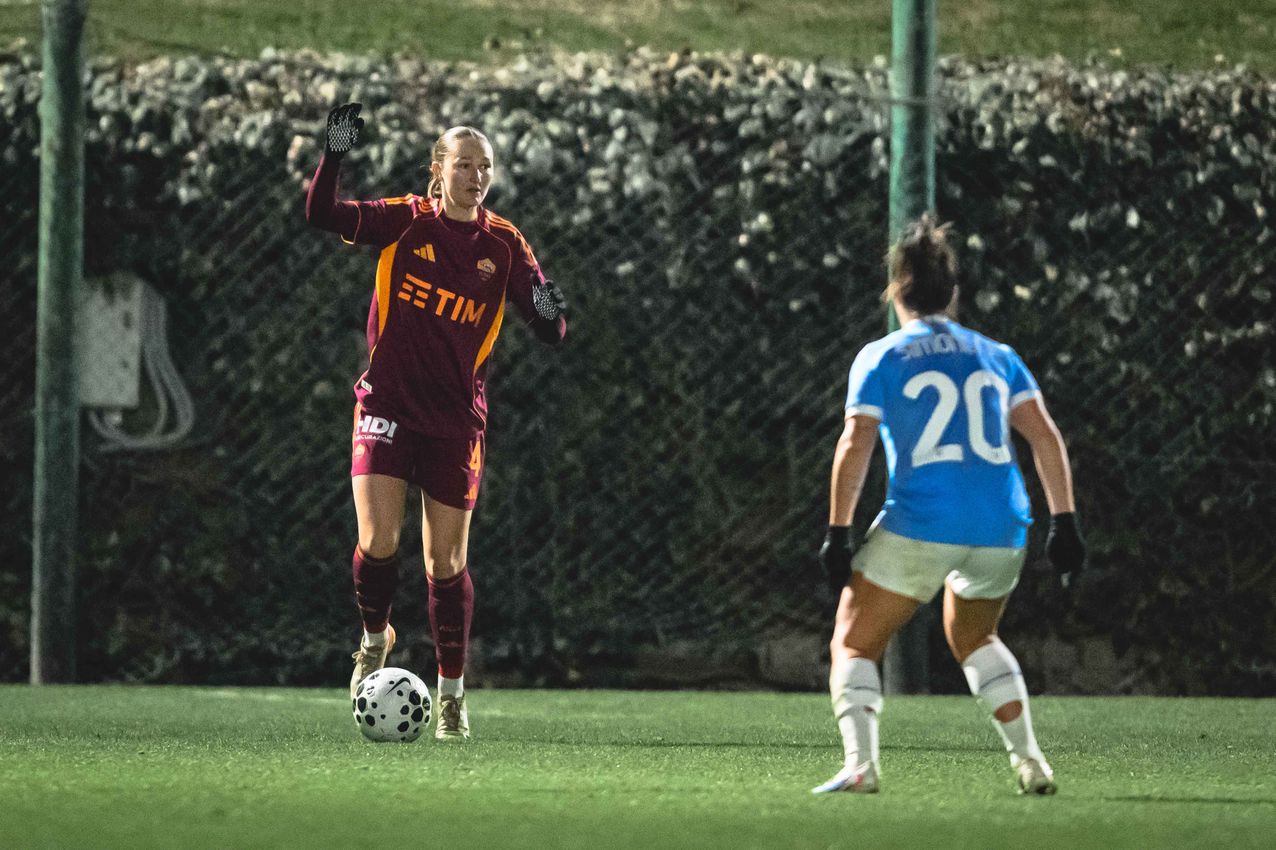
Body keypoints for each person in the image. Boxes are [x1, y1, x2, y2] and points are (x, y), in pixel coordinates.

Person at [305, 103, 568, 740]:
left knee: (446, 565)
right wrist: (333, 155)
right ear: (438, 171)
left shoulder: (504, 244)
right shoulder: (406, 222)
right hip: (387, 405)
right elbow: (322, 214)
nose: (476, 177)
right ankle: (374, 640)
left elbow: (553, 328)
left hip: (454, 421)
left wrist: (547, 308)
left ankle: (451, 695)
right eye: (464, 165)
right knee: (378, 544)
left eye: (486, 167)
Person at [812, 215, 1086, 794]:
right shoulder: (997, 354)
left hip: (922, 522)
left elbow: (855, 441)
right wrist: (1064, 521)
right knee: (975, 637)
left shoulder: (881, 356)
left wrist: (839, 529)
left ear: (895, 291)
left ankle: (861, 766)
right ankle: (1031, 761)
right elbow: (1044, 435)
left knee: (855, 640)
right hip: (1003, 526)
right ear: (953, 292)